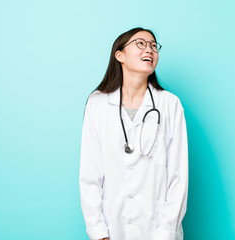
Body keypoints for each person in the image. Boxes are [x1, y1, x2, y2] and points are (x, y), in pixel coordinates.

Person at [79, 27, 188, 240]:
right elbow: (90, 174)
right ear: (120, 55)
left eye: (154, 46)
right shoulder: (97, 104)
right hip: (112, 228)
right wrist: (98, 230)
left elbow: (178, 177)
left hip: (158, 229)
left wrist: (166, 232)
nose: (149, 49)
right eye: (140, 43)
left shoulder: (170, 104)